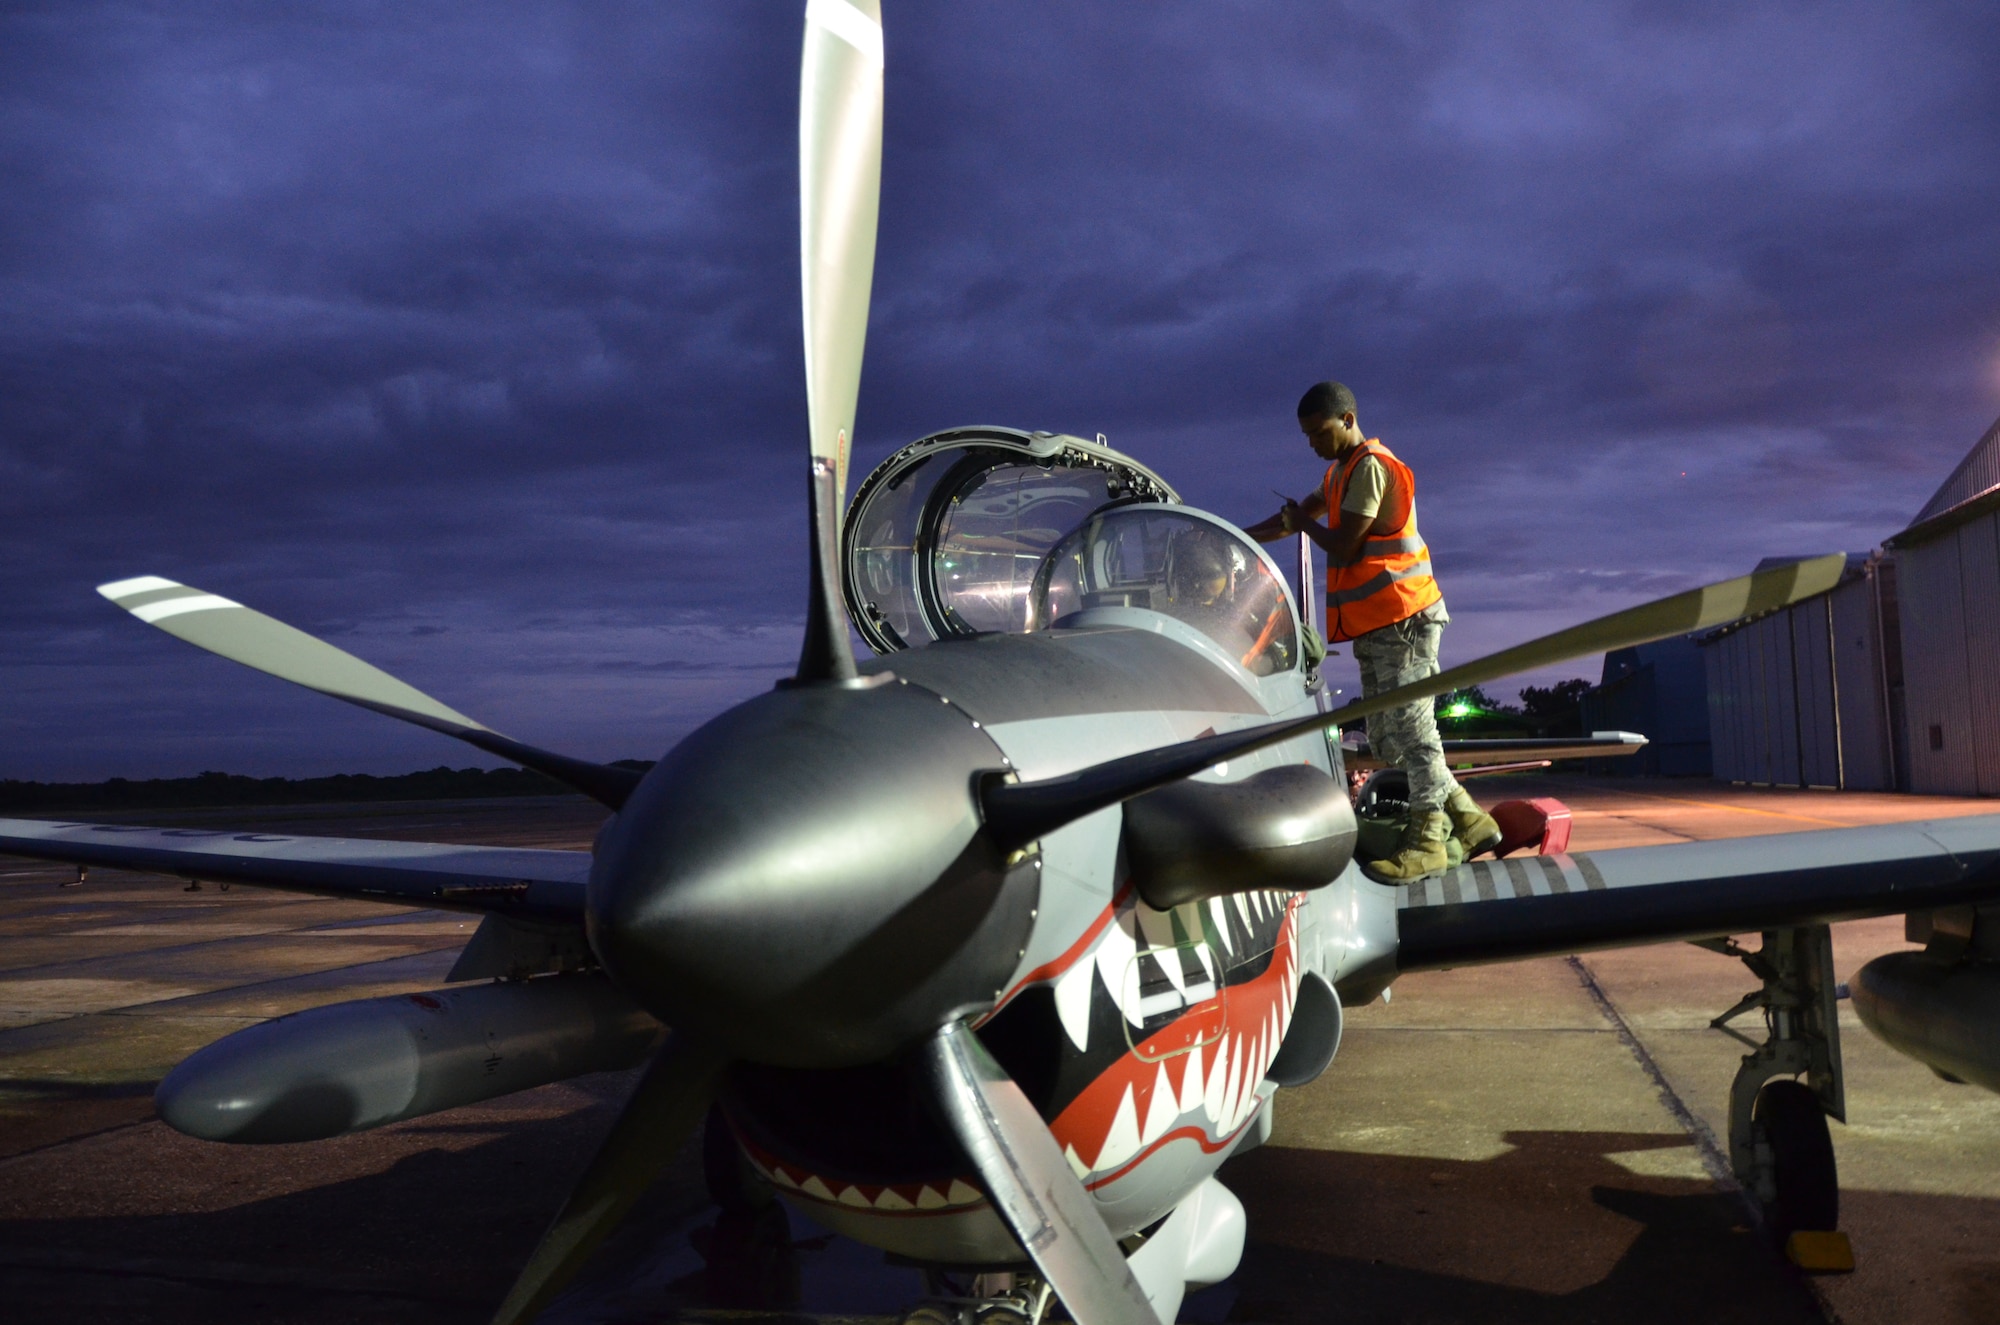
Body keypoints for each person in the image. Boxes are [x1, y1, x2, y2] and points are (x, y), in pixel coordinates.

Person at [1246, 381, 1499, 881]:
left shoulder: (1370, 468)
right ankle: (1469, 819)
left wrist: (1302, 522)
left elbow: (1342, 545)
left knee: (1415, 731)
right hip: (1377, 627)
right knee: (1386, 735)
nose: (1312, 443)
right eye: (1306, 436)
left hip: (1405, 619)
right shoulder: (1339, 473)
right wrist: (1236, 533)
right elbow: (1292, 522)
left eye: (1318, 432)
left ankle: (1427, 840)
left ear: (1347, 419)